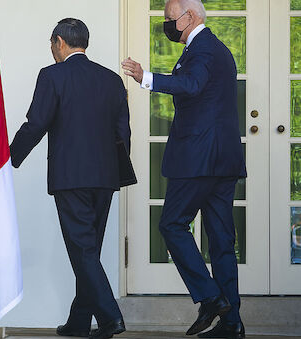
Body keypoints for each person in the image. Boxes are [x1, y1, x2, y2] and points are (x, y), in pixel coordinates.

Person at [121, 0, 246, 338]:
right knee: (221, 241)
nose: (166, 23)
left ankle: (210, 297)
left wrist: (145, 77)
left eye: (169, 18)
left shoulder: (203, 49)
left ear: (189, 17)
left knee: (172, 224)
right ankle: (232, 323)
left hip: (199, 159)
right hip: (221, 160)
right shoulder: (214, 48)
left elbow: (191, 85)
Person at [10, 18, 130, 339]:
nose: (51, 50)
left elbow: (36, 123)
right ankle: (79, 321)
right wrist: (112, 170)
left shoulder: (52, 76)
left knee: (83, 251)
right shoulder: (112, 80)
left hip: (70, 178)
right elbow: (123, 132)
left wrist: (10, 157)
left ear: (60, 42)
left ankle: (110, 318)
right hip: (105, 178)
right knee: (88, 250)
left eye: (51, 44)